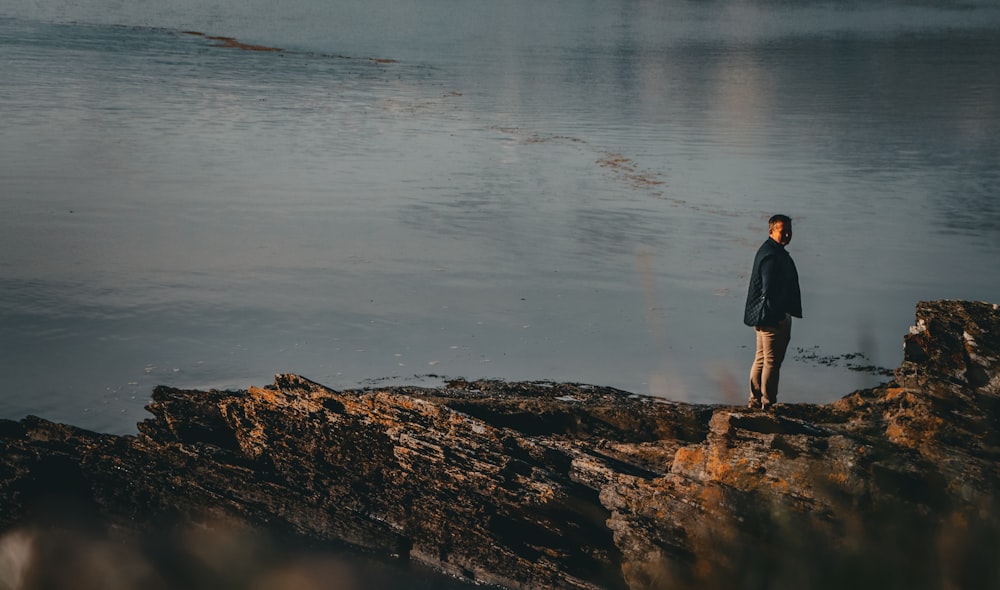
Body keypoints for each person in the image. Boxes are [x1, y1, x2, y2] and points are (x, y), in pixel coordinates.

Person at [743, 214, 802, 411]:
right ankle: (767, 403)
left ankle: (755, 400)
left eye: (789, 231)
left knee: (761, 358)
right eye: (782, 231)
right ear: (771, 231)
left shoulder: (770, 250)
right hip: (771, 317)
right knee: (771, 363)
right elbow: (768, 290)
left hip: (762, 315)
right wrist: (779, 318)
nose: (786, 235)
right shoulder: (771, 256)